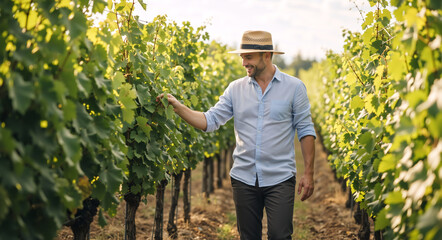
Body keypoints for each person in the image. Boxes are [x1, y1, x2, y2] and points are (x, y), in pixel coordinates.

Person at [158, 30, 316, 240]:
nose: (244, 63)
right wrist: (178, 108)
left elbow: (305, 130)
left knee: (280, 235)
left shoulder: (294, 88)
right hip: (244, 178)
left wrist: (309, 173)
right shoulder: (235, 89)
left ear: (266, 55)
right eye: (242, 57)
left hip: (280, 177)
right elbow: (210, 120)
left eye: (248, 57)